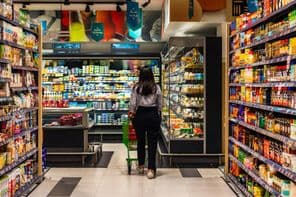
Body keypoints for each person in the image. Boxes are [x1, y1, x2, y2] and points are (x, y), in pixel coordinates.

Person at [129, 66, 162, 179]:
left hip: (140, 115)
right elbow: (160, 104)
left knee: (141, 142)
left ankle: (141, 165)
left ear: (141, 75)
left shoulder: (136, 87)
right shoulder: (156, 87)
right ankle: (151, 170)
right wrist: (158, 112)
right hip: (153, 115)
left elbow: (133, 103)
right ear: (152, 75)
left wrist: (132, 113)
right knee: (153, 143)